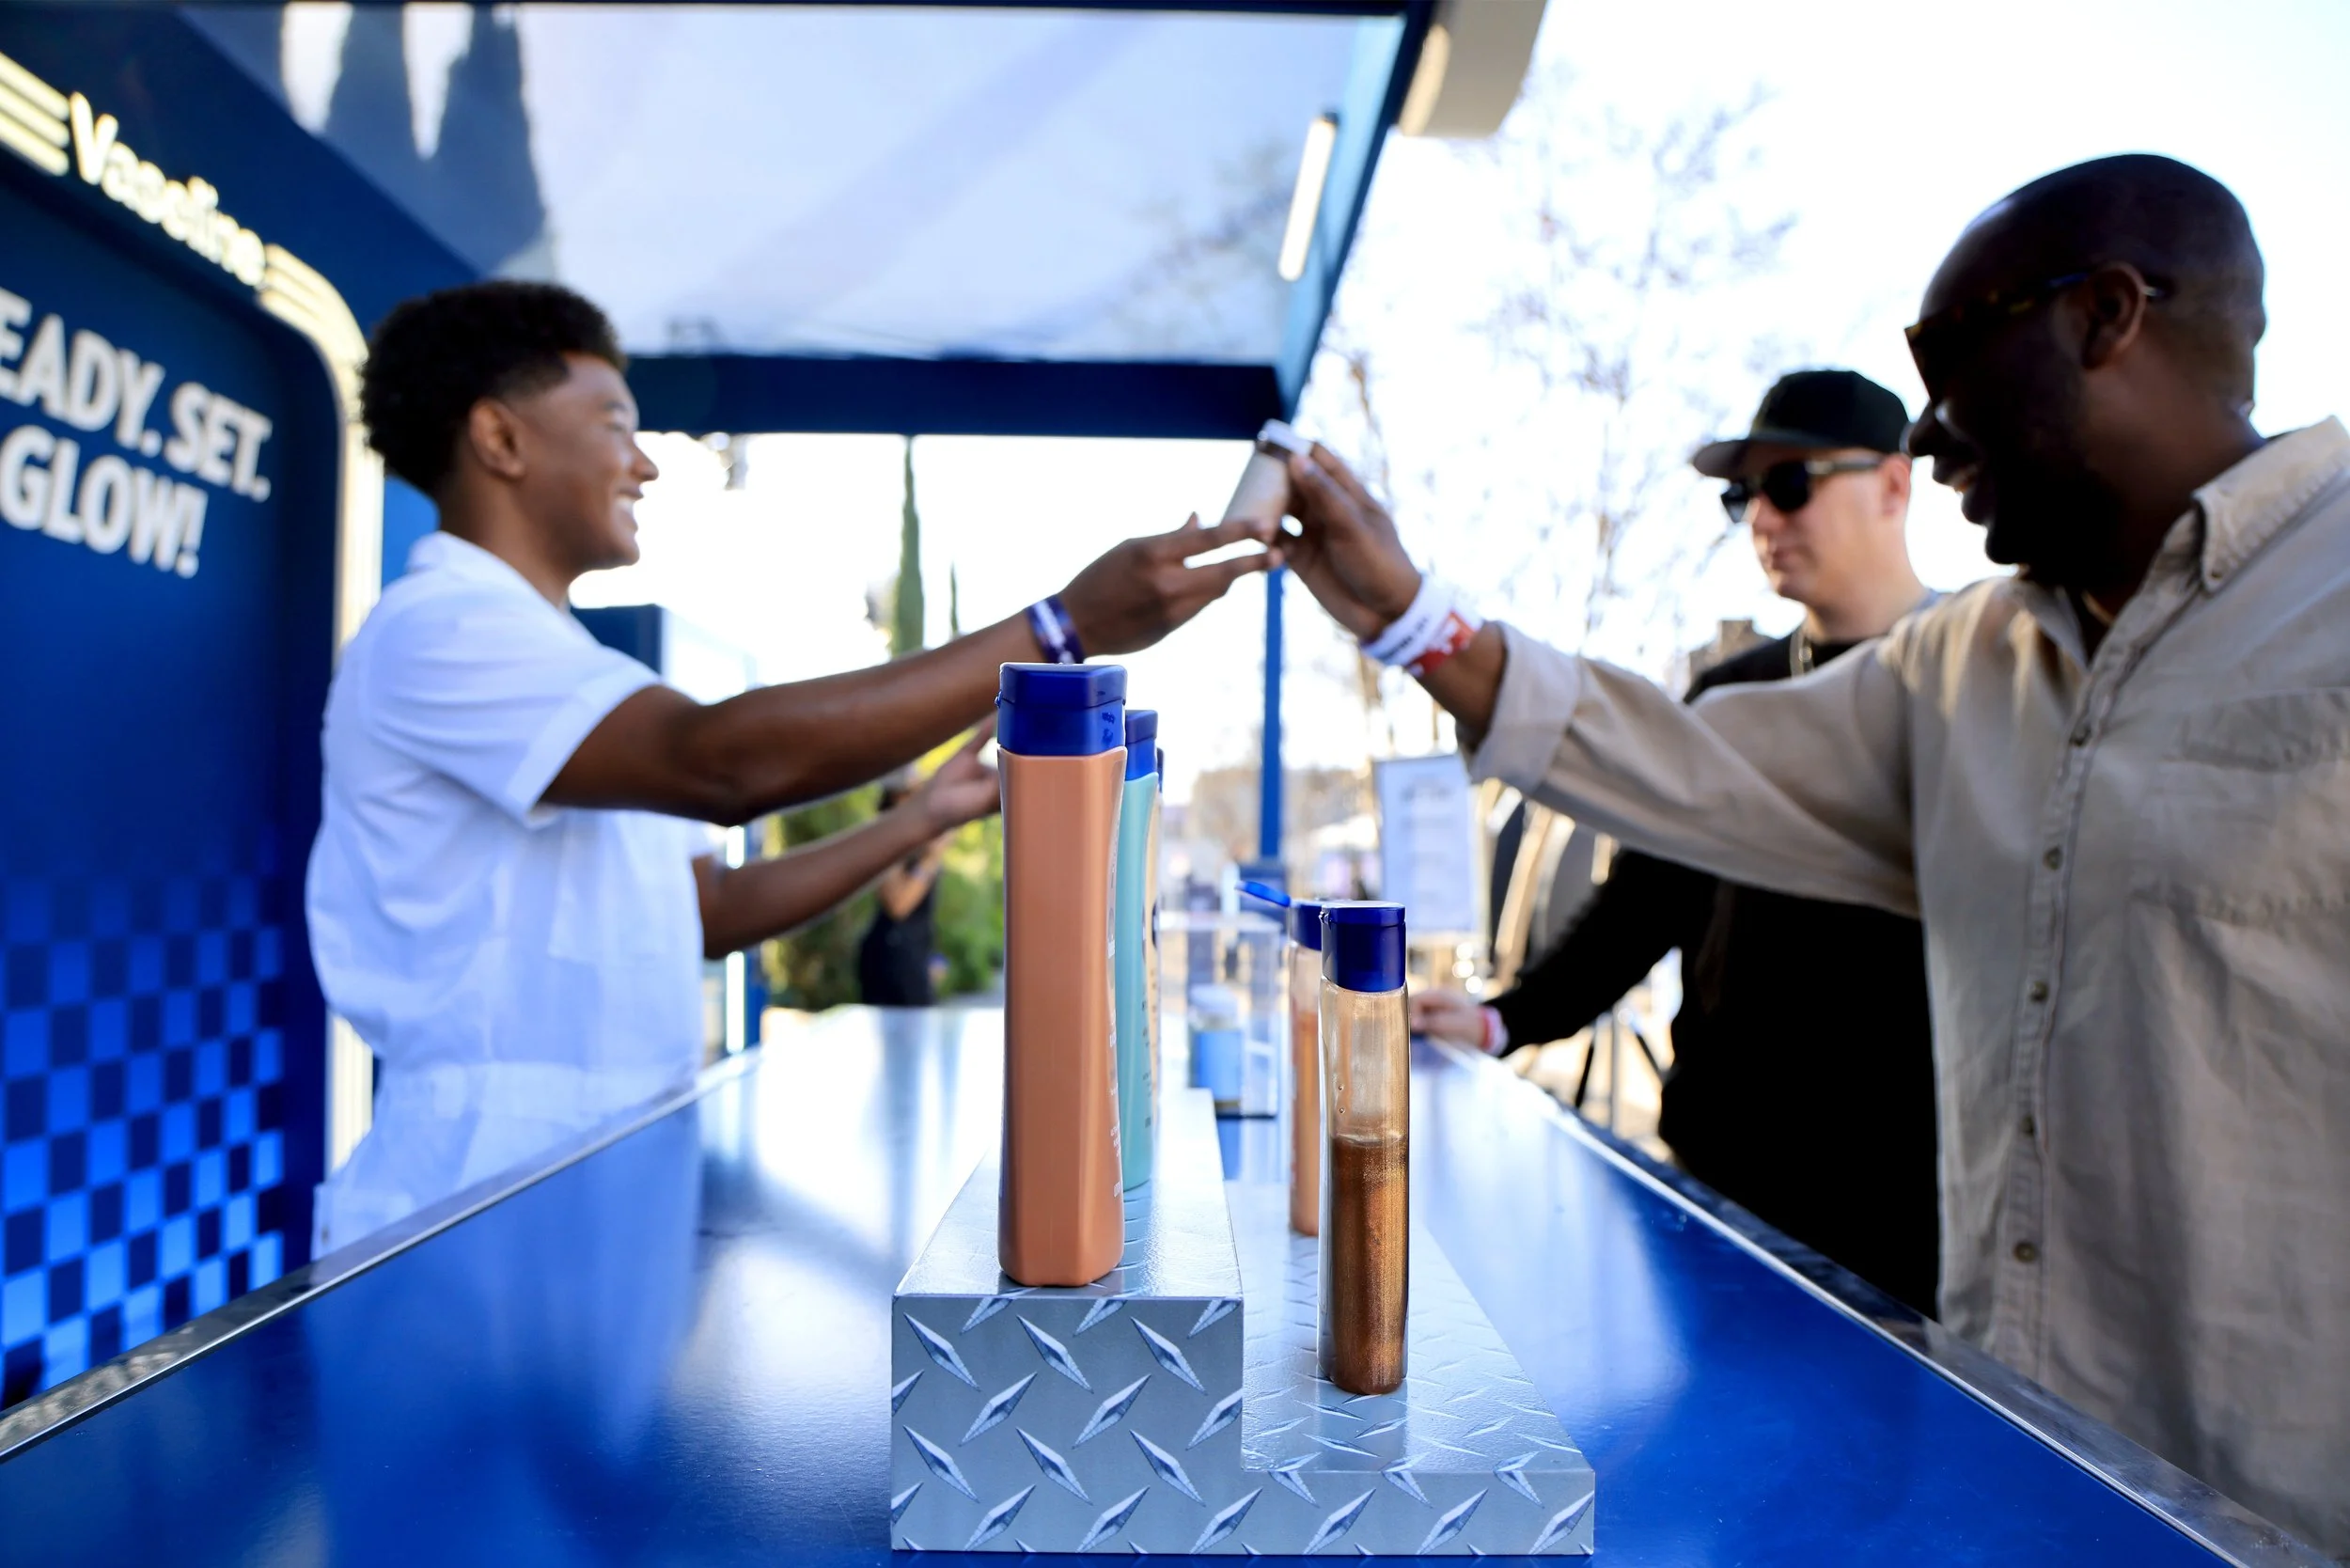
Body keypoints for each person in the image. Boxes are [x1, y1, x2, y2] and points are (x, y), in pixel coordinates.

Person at [1279, 156, 2350, 1552]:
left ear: (2108, 316)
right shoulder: (1962, 668)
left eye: (1949, 356)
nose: (1938, 430)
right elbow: (1687, 772)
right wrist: (1419, 623)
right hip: (2000, 1460)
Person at [308, 280, 1277, 1251]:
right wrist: (1060, 630)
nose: (643, 465)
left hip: (591, 1193)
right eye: (614, 424)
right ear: (500, 439)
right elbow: (719, 764)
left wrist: (921, 819)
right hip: (468, 1213)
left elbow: (707, 912)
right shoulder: (437, 634)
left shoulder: (566, 670)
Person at [1412, 368, 1941, 1314]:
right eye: (1744, 496)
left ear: (1895, 484)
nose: (1763, 520)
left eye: (1791, 484)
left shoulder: (1973, 687)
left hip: (1900, 1221)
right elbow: (1643, 898)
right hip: (1718, 1183)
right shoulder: (1728, 694)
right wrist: (1504, 1019)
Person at [857, 776, 948, 1007]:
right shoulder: (885, 842)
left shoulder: (918, 844)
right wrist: (931, 859)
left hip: (914, 961)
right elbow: (898, 905)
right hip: (889, 962)